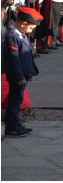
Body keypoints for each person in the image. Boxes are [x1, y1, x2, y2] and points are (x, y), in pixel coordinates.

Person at [4, 7, 41, 137]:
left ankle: (16, 124)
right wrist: (20, 76)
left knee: (17, 100)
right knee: (14, 102)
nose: (31, 31)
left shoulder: (20, 34)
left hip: (22, 75)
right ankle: (12, 127)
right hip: (16, 76)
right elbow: (14, 60)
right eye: (31, 28)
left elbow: (25, 57)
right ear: (23, 23)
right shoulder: (12, 37)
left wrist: (28, 73)